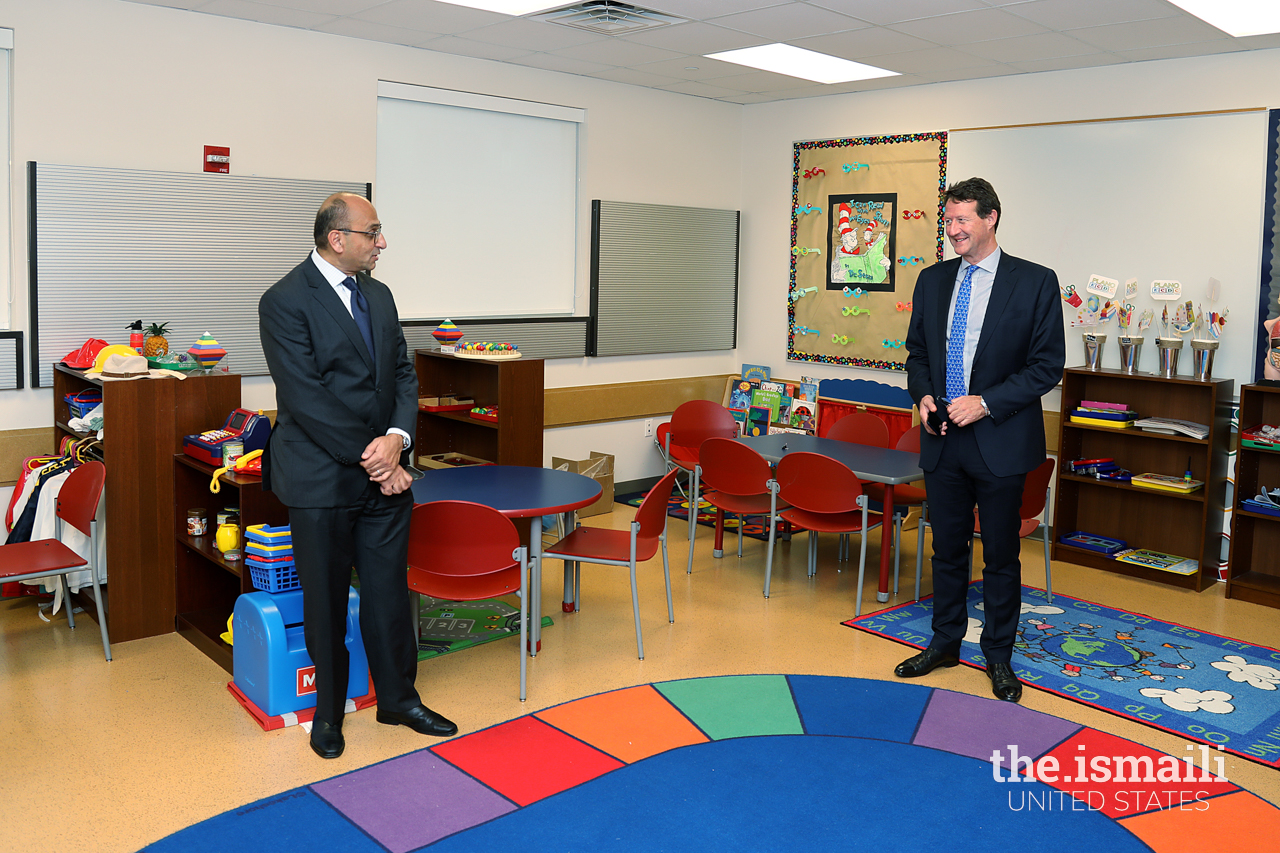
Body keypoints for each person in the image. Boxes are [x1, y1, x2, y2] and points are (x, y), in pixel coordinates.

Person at [259, 192, 457, 759]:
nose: (382, 242)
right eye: (373, 232)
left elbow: (401, 373)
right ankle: (328, 712)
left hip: (386, 473)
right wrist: (376, 459)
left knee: (390, 593)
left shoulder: (380, 295)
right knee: (323, 599)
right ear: (337, 238)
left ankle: (399, 698)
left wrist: (397, 441)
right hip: (321, 478)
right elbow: (306, 397)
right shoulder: (284, 301)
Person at [898, 177, 1065, 703]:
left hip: (999, 439)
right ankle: (944, 642)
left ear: (991, 217)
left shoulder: (1035, 282)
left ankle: (998, 658)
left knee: (999, 557)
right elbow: (918, 354)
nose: (953, 231)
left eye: (963, 220)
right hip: (942, 437)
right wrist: (924, 396)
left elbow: (1046, 367)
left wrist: (985, 401)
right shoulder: (932, 280)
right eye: (948, 221)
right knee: (945, 549)